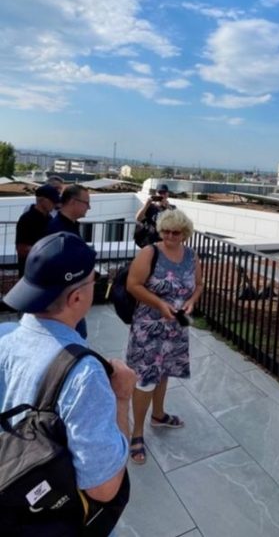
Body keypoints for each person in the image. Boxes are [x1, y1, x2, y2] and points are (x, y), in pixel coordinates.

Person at [0, 233, 135, 533]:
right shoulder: (84, 375)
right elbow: (104, 488)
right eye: (93, 280)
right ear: (76, 297)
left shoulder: (4, 336)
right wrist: (122, 397)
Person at [125, 209, 202, 465]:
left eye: (175, 232)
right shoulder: (150, 253)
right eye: (166, 231)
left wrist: (191, 301)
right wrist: (159, 304)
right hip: (149, 325)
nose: (169, 236)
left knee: (164, 371)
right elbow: (133, 285)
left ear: (185, 234)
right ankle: (137, 434)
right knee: (145, 378)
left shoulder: (192, 256)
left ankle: (158, 415)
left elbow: (199, 285)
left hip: (176, 326)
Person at [44, 184, 91, 339]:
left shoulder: (67, 225)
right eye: (86, 203)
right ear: (72, 202)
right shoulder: (58, 229)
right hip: (63, 299)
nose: (88, 208)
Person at [15, 184, 60, 276]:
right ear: (41, 200)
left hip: (45, 271)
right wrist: (47, 251)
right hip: (30, 272)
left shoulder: (50, 218)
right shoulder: (26, 219)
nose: (55, 204)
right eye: (52, 200)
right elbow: (21, 249)